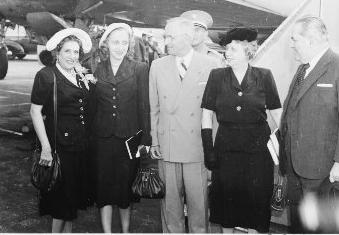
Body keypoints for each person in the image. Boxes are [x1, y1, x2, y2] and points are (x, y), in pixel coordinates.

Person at [201, 28, 282, 233]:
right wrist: (208, 149)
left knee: (255, 205)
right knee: (226, 207)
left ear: (248, 51)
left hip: (258, 152)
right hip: (226, 150)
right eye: (227, 49)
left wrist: (284, 149)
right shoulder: (217, 76)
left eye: (234, 49)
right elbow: (206, 115)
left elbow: (277, 114)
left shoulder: (264, 76)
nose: (228, 53)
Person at [280, 16, 339, 233]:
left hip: (321, 169)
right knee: (299, 225)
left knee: (318, 228)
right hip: (293, 167)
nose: (292, 45)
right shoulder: (303, 69)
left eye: (295, 40)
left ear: (311, 41)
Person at [149, 17, 219, 233]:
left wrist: (213, 149)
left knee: (199, 208)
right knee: (171, 207)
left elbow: (215, 113)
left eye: (170, 36)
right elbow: (155, 108)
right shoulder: (157, 65)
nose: (166, 41)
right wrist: (154, 141)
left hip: (197, 148)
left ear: (188, 38)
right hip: (168, 146)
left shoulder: (210, 65)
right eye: (165, 36)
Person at [30, 28, 94, 233]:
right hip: (59, 146)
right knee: (61, 204)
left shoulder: (80, 74)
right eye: (67, 51)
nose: (72, 56)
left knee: (71, 202)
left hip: (80, 147)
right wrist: (46, 148)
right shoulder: (47, 75)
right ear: (57, 53)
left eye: (76, 52)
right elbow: (35, 111)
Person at [91, 23, 151, 233]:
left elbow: (144, 106)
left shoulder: (140, 68)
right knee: (104, 188)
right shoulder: (98, 68)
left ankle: (125, 231)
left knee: (126, 190)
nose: (120, 47)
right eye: (115, 42)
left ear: (129, 45)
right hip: (103, 139)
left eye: (124, 43)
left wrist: (146, 139)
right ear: (107, 44)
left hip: (128, 140)